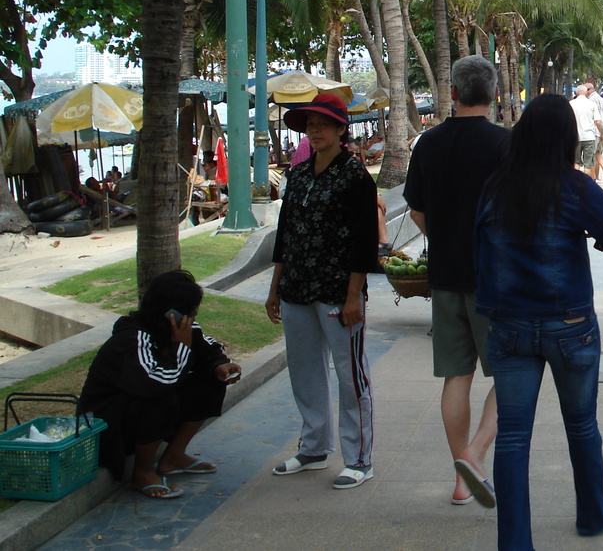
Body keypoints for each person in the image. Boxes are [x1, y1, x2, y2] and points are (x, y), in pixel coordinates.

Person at [474, 93, 603, 551]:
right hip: (571, 327)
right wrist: (596, 238)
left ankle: (514, 543)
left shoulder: (494, 188)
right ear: (568, 138)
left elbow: (481, 257)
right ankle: (592, 514)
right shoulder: (576, 188)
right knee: (582, 425)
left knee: (512, 437)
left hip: (509, 328)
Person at [404, 55, 509, 507]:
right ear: (494, 94)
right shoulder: (506, 146)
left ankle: (461, 478)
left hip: (445, 275)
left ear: (454, 93)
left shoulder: (428, 144)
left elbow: (416, 212)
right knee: (509, 375)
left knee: (456, 376)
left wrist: (445, 240)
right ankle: (475, 453)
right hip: (496, 279)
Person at [266, 92, 380, 490]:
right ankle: (313, 448)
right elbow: (285, 235)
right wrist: (274, 288)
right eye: (309, 124)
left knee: (351, 377)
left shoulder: (355, 176)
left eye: (323, 124)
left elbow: (365, 243)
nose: (315, 130)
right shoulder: (296, 174)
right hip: (296, 287)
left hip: (336, 291)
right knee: (305, 372)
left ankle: (359, 459)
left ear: (339, 129)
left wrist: (354, 296)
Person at [79, 269, 240, 499]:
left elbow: (209, 346)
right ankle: (142, 472)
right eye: (191, 308)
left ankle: (173, 457)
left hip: (140, 411)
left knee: (210, 380)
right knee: (161, 396)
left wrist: (220, 365)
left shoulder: (179, 328)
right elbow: (156, 383)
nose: (195, 312)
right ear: (171, 312)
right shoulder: (131, 339)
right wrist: (181, 348)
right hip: (110, 427)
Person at [569, 84, 603, 180]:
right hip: (589, 137)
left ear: (576, 93)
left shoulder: (571, 104)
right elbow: (598, 121)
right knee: (588, 164)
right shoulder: (591, 104)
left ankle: (576, 183)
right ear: (586, 92)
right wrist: (602, 134)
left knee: (576, 162)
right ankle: (585, 185)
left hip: (575, 137)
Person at [586, 82, 603, 185]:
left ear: (590, 89)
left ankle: (593, 178)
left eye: (586, 90)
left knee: (591, 156)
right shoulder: (602, 99)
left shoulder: (591, 101)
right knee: (598, 153)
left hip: (596, 130)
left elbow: (595, 118)